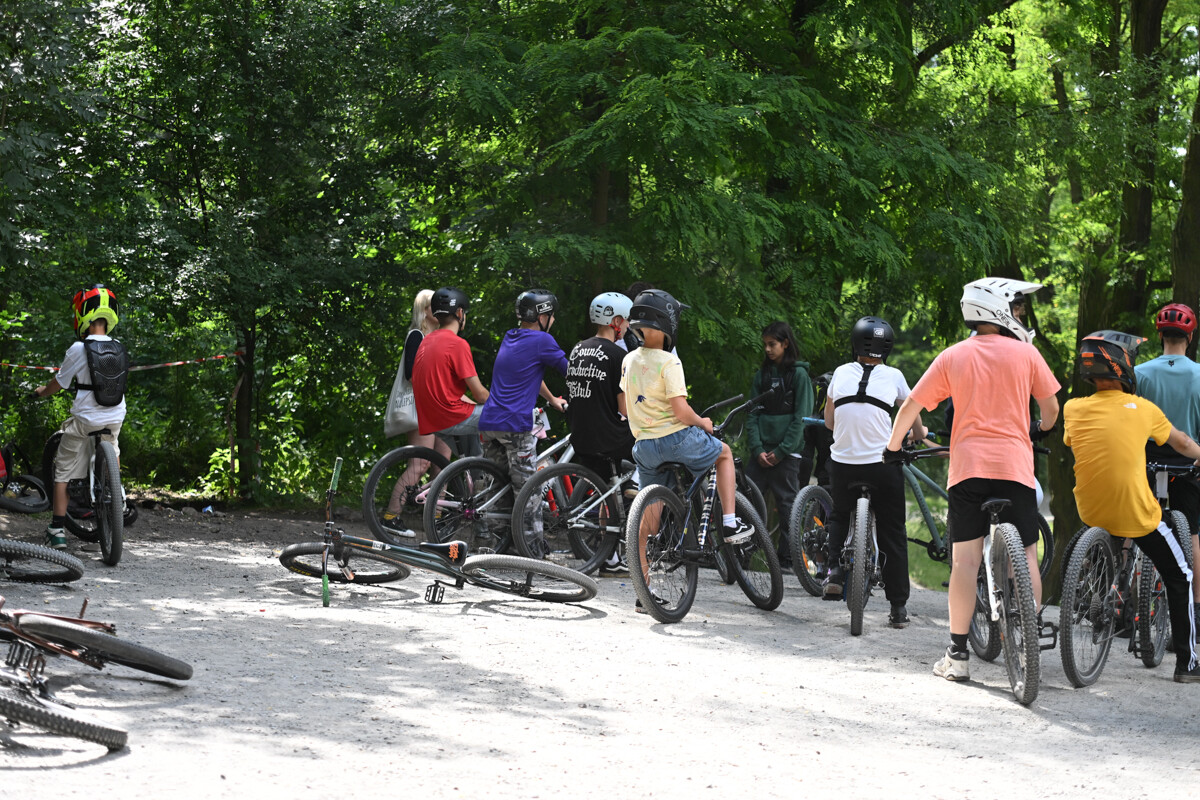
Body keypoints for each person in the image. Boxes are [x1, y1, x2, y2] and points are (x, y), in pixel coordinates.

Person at [885, 277, 1060, 681]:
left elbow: (911, 406)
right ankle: (1029, 639)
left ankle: (957, 655)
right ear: (999, 309)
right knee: (1027, 557)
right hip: (1015, 469)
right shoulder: (1026, 355)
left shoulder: (953, 356)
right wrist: (1036, 428)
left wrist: (893, 447)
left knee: (964, 562)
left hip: (967, 473)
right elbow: (1050, 410)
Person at [1063, 329, 1200, 682]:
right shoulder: (1143, 410)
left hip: (1091, 512)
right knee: (1181, 573)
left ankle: (1101, 588)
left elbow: (1074, 442)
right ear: (1124, 366)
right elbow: (1182, 442)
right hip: (1136, 514)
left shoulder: (1073, 408)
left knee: (1116, 528)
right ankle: (1188, 664)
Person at [620, 289, 753, 610]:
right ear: (668, 322)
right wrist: (703, 422)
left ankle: (643, 589)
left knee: (647, 523)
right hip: (676, 439)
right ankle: (731, 522)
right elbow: (681, 411)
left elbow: (623, 405)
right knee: (722, 453)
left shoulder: (628, 359)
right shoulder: (669, 361)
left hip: (645, 447)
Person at [823, 317, 925, 628]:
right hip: (882, 465)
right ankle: (897, 607)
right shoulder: (893, 375)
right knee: (893, 531)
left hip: (842, 465)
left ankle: (834, 572)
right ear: (888, 348)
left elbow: (829, 423)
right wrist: (917, 433)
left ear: (854, 343)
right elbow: (911, 414)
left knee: (840, 514)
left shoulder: (840, 373)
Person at [33, 285, 129, 551]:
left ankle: (57, 530)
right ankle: (114, 491)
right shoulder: (119, 347)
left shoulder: (78, 348)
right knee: (113, 444)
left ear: (83, 315)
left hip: (86, 420)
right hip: (115, 416)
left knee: (62, 468)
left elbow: (60, 384)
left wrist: (42, 392)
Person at [1135, 302, 1200, 628]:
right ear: (1191, 336)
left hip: (1147, 460)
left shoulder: (1140, 373)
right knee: (1193, 532)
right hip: (1189, 462)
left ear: (1160, 335)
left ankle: (1127, 595)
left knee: (1133, 525)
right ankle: (1197, 610)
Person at [565, 292, 638, 576]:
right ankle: (632, 493)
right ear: (616, 321)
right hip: (607, 437)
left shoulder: (577, 349)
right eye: (627, 322)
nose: (629, 327)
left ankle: (608, 558)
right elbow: (625, 408)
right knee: (650, 448)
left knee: (612, 482)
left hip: (579, 436)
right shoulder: (619, 355)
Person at [477, 290, 568, 495]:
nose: (553, 320)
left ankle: (497, 526)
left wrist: (552, 399)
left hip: (490, 421)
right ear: (542, 317)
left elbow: (529, 375)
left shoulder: (511, 336)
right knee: (528, 493)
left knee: (498, 488)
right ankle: (528, 529)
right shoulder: (542, 340)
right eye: (552, 315)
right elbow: (571, 371)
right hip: (515, 425)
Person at [380, 290, 454, 538]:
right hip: (422, 409)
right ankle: (391, 517)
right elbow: (412, 375)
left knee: (442, 465)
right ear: (425, 311)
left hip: (441, 408)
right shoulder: (417, 336)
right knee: (420, 463)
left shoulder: (442, 338)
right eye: (436, 307)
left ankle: (436, 520)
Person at [745, 321, 812, 568]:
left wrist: (782, 450)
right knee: (747, 502)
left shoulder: (800, 376)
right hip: (761, 454)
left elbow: (801, 418)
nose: (768, 350)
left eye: (772, 344)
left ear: (785, 343)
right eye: (765, 345)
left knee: (787, 508)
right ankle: (743, 555)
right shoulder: (761, 376)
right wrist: (757, 449)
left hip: (787, 455)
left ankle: (787, 560)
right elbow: (751, 415)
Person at [411, 287, 489, 457]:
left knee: (475, 455)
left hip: (430, 420)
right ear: (460, 313)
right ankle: (523, 475)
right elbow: (481, 395)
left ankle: (481, 481)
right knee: (516, 414)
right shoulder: (457, 344)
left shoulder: (425, 342)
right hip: (451, 416)